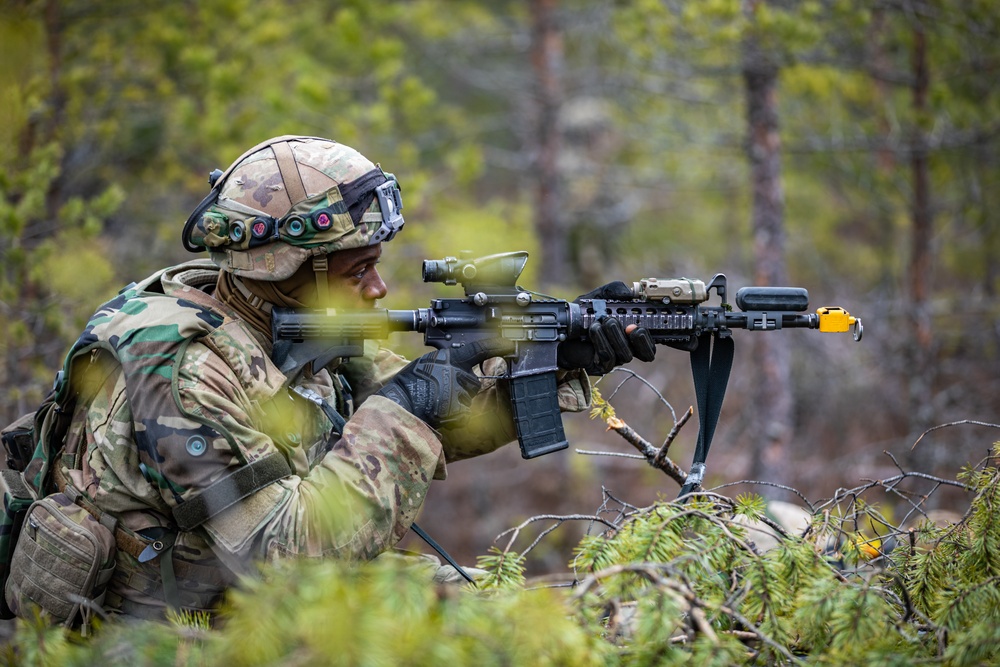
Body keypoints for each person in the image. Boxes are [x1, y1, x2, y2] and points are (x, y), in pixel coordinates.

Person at [4, 135, 653, 623]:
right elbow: (285, 556)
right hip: (173, 639)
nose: (377, 288)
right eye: (357, 271)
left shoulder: (294, 322)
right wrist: (405, 409)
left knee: (556, 608)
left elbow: (436, 416)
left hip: (260, 616)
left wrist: (561, 359)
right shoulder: (178, 372)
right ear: (286, 267)